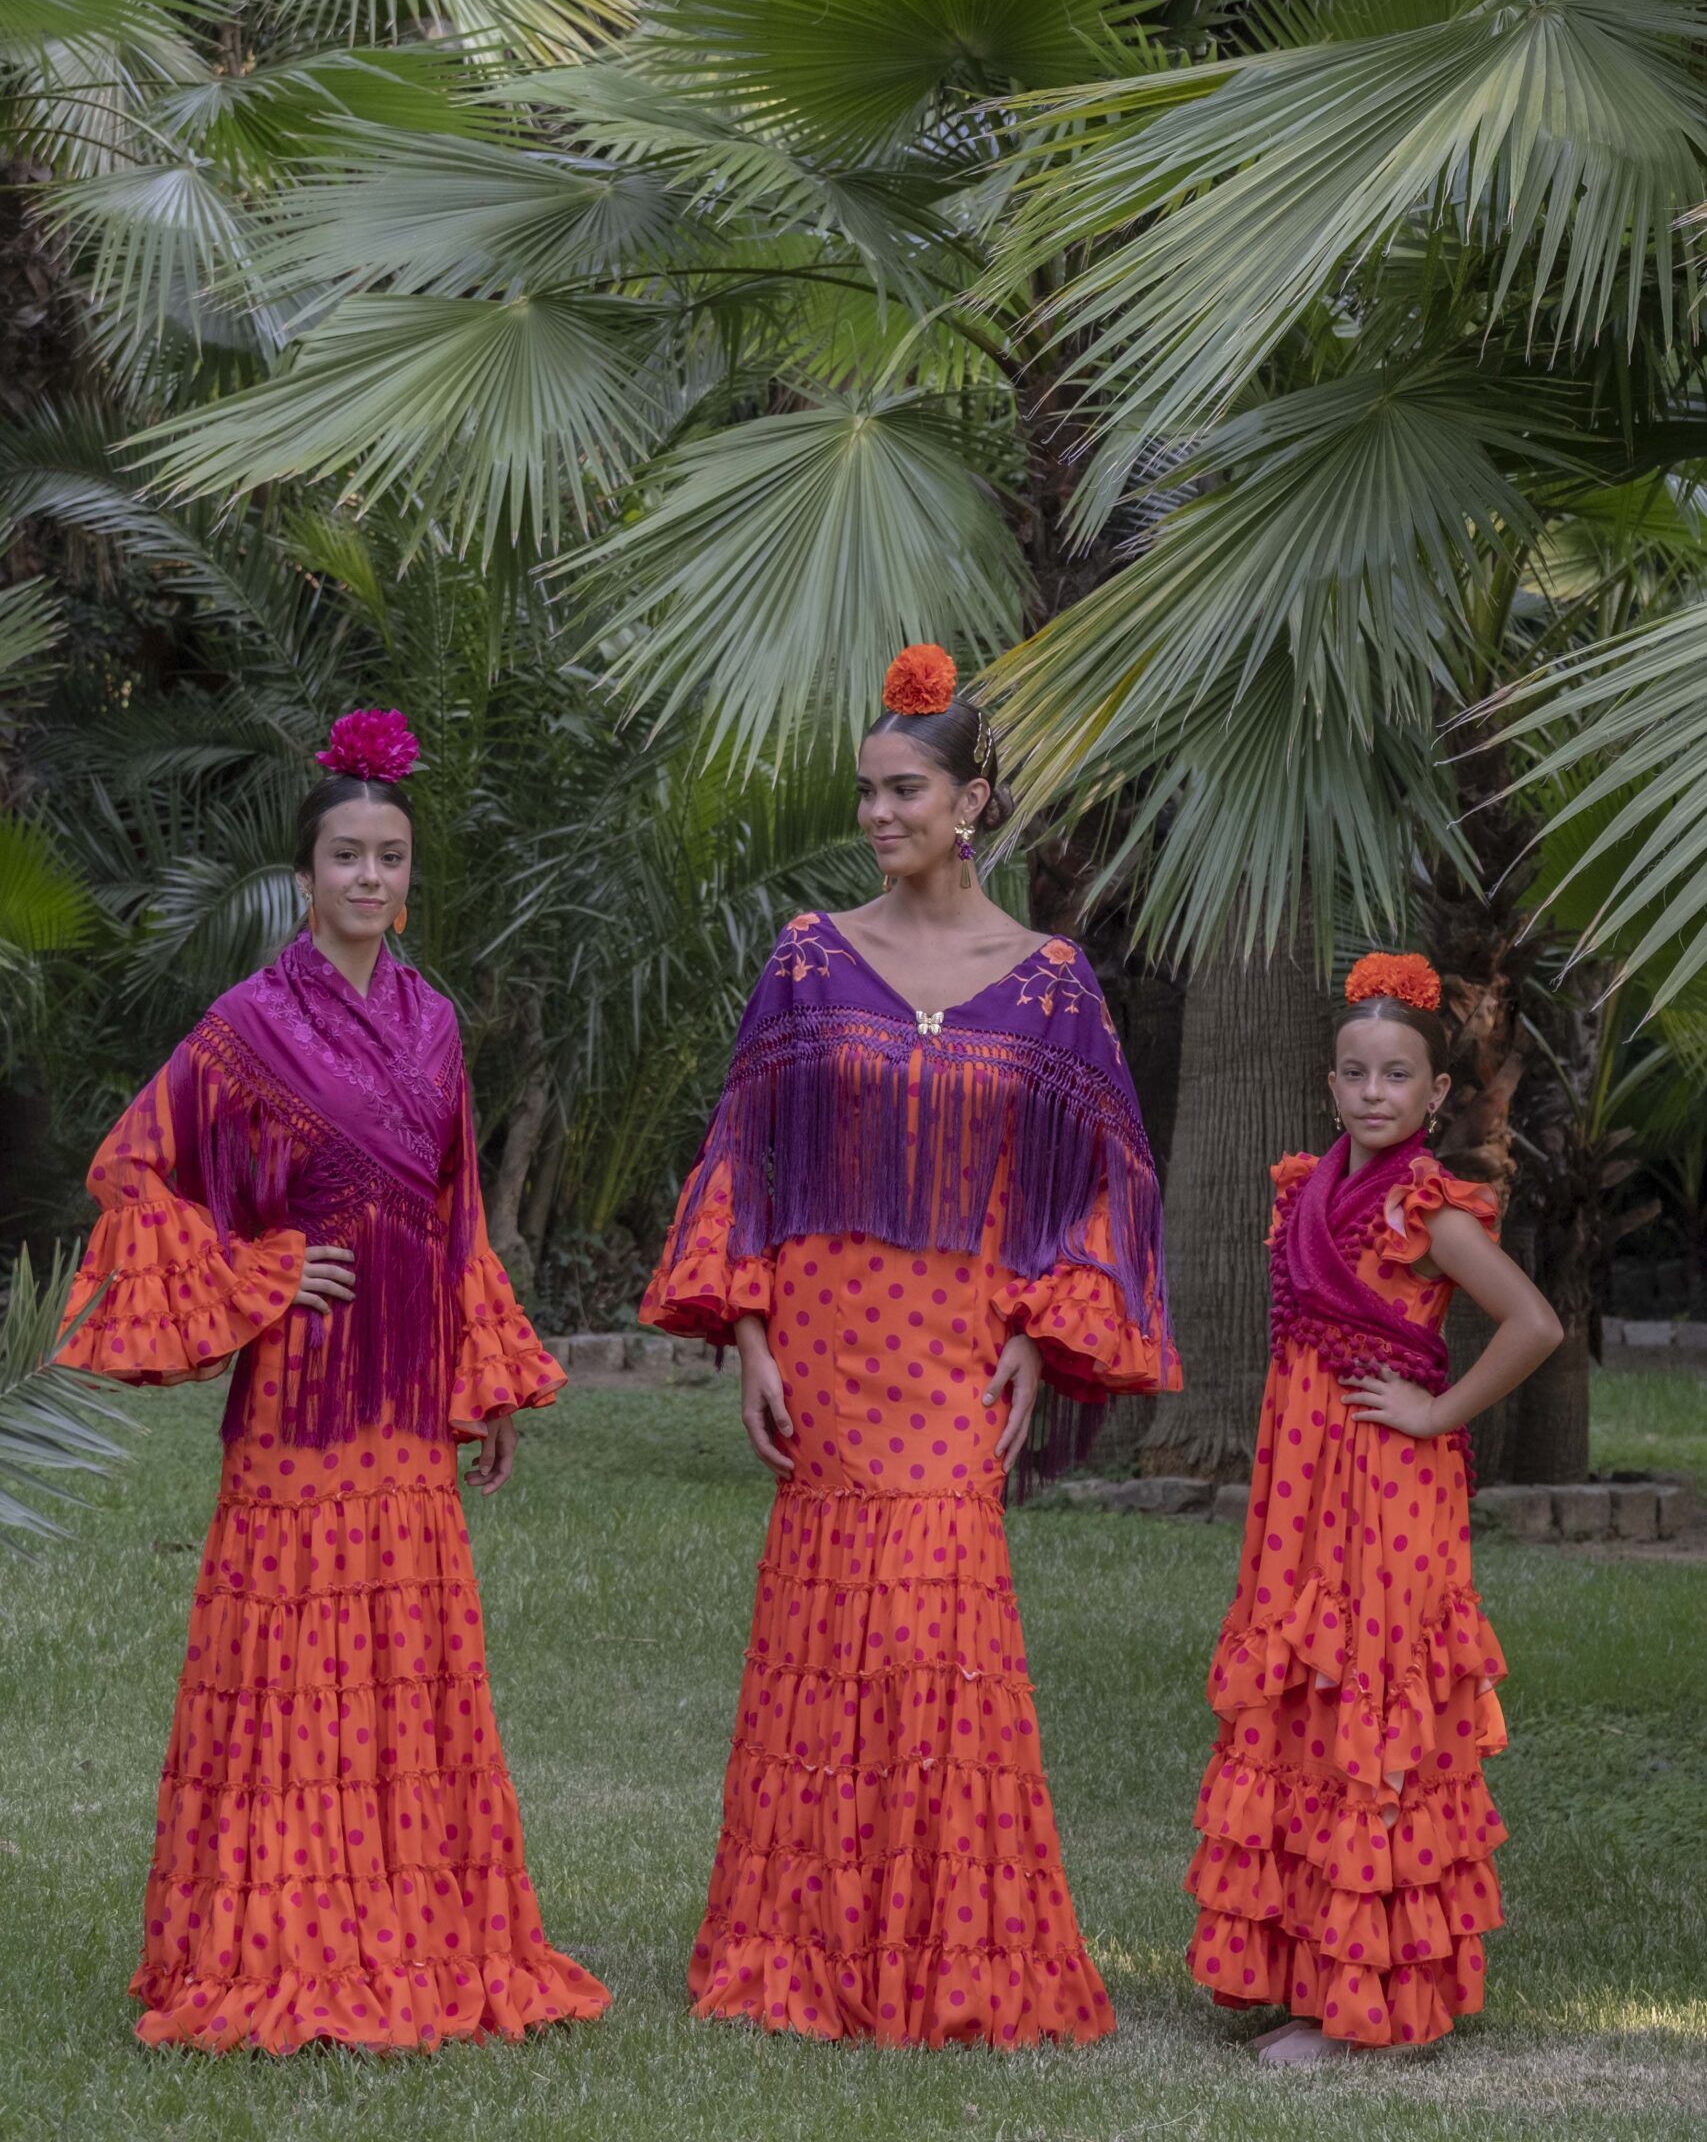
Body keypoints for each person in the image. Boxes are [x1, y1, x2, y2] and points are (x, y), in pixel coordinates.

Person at [641, 642, 1179, 2048]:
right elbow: (747, 1149)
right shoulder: (809, 957)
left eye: (904, 791)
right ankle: (802, 1942)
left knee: (935, 1623)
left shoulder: (1052, 981)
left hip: (958, 1342)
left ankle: (956, 1950)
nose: (878, 814)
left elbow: (1100, 1179)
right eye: (868, 792)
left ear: (971, 801)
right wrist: (748, 1330)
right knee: (829, 1623)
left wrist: (1042, 1337)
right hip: (827, 1330)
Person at [55, 708, 611, 2053]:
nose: (369, 875)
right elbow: (131, 1171)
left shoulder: (436, 1024)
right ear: (304, 876)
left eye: (390, 857)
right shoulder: (246, 1026)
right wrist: (257, 1271)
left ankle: (417, 1930)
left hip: (407, 1400)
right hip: (300, 1402)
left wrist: (483, 1378)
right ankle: (277, 1942)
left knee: (405, 1669)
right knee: (292, 1664)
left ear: (409, 878)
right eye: (347, 856)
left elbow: (457, 1216)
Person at [1185, 950, 1563, 2066]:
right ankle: (1310, 1975)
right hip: (1303, 1483)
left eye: (1396, 1075)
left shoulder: (1429, 1209)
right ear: (1330, 1080)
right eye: (1353, 1072)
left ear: (1436, 1093)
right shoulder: (1305, 1188)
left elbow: (1534, 1324)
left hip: (1387, 1484)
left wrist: (1438, 1411)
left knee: (1375, 1696)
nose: (1371, 1092)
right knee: (1307, 1693)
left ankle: (1375, 2002)